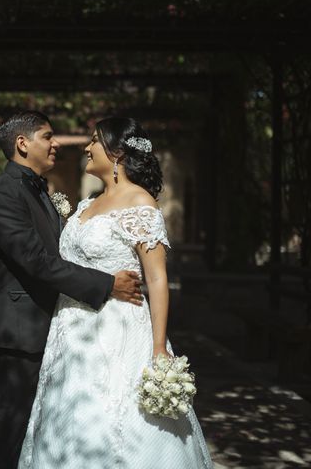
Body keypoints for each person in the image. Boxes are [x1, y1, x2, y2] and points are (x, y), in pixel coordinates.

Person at [18, 117, 213, 468]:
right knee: (68, 423)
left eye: (94, 141)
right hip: (70, 337)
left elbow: (156, 279)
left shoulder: (139, 202)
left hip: (118, 331)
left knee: (112, 424)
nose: (87, 148)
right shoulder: (88, 202)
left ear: (118, 153)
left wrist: (157, 348)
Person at [0, 111, 144, 469]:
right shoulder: (2, 194)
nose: (56, 144)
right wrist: (107, 284)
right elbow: (36, 261)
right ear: (22, 144)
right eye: (47, 136)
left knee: (43, 436)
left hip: (56, 332)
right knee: (12, 435)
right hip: (20, 334)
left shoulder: (41, 190)